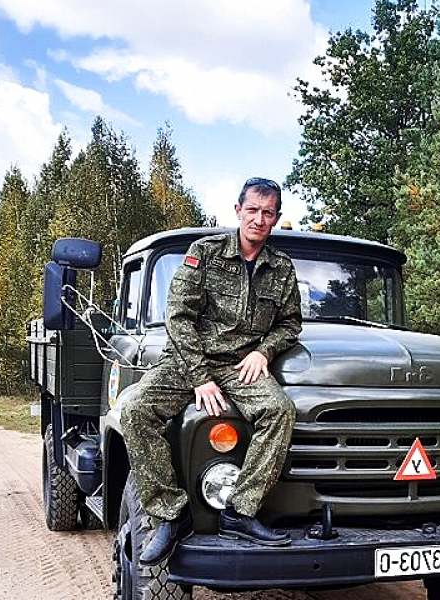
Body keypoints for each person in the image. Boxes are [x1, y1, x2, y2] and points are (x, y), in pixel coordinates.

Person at [121, 177, 302, 566]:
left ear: (276, 218)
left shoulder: (281, 268)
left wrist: (265, 351)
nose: (259, 219)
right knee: (136, 410)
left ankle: (240, 511)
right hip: (189, 359)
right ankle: (171, 514)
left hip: (241, 365)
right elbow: (178, 316)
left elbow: (290, 323)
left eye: (267, 213)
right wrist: (200, 377)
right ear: (238, 211)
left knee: (279, 411)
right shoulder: (204, 253)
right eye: (252, 210)